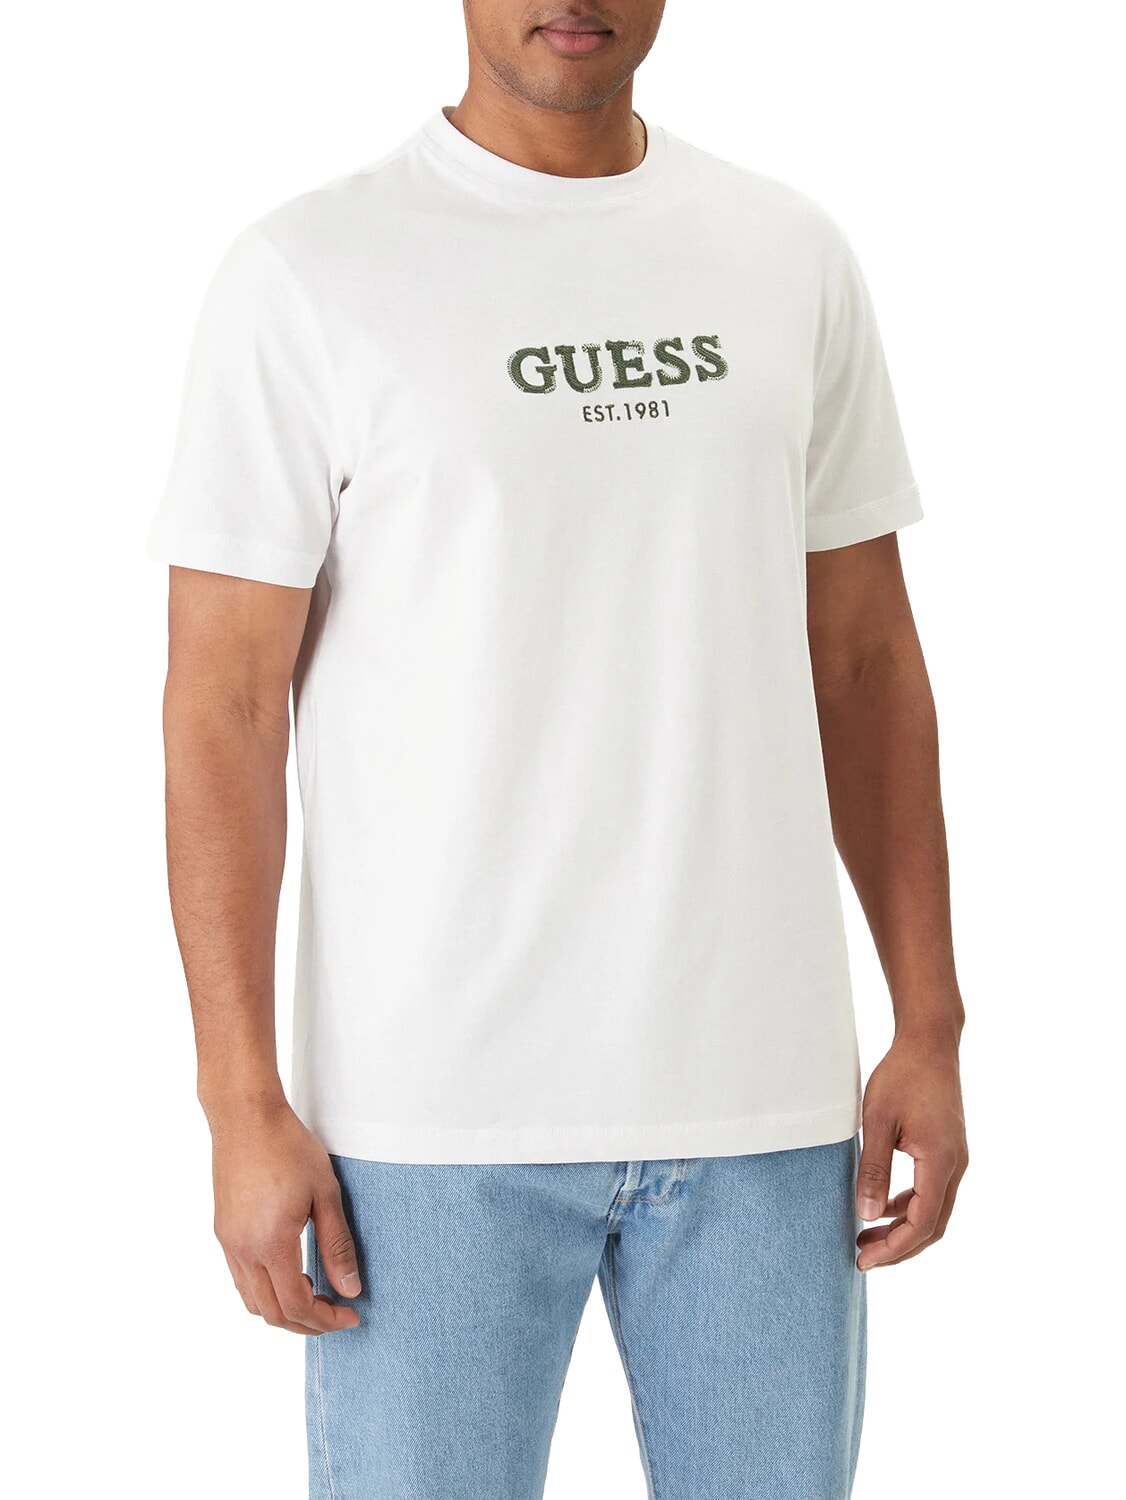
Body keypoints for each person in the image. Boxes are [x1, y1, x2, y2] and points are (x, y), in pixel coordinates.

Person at [145, 3, 968, 1496]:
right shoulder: (310, 271)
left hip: (766, 1109)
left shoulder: (785, 253)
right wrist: (238, 1100)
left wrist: (930, 1021)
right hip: (427, 1122)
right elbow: (221, 704)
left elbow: (863, 659)